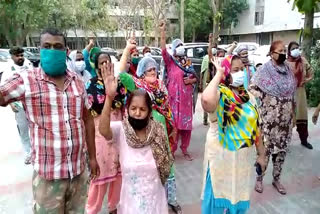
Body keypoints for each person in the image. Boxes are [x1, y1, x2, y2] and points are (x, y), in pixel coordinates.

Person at [0, 28, 99, 213]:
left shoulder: (77, 81)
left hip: (78, 173)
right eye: (47, 46)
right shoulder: (26, 80)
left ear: (65, 51)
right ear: (40, 49)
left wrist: (93, 158)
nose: (52, 50)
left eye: (57, 46)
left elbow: (88, 121)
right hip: (48, 178)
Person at [99, 62, 173, 213]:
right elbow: (103, 130)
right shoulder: (122, 131)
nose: (137, 113)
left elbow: (167, 164)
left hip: (156, 204)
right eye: (133, 108)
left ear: (149, 112)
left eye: (142, 109)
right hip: (131, 205)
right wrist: (109, 97)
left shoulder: (157, 131)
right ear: (127, 109)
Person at [117, 42, 182, 212]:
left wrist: (172, 125)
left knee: (167, 164)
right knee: (148, 167)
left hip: (163, 130)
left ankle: (170, 199)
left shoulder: (160, 86)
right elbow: (120, 74)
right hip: (145, 131)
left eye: (154, 69)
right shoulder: (137, 85)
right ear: (141, 73)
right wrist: (126, 51)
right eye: (149, 71)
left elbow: (167, 106)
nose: (153, 73)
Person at [201, 55, 266, 214]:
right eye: (235, 70)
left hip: (242, 162)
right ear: (226, 74)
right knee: (216, 201)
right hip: (220, 161)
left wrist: (261, 155)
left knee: (237, 200)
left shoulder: (249, 98)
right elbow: (206, 101)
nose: (241, 73)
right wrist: (218, 74)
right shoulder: (220, 94)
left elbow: (256, 128)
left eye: (242, 69)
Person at [250, 40, 296, 195]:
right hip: (269, 121)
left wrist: (293, 115)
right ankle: (259, 179)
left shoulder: (288, 70)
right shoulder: (264, 70)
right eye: (280, 50)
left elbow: (292, 94)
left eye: (284, 50)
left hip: (285, 121)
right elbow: (252, 87)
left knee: (281, 151)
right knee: (266, 151)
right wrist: (264, 97)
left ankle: (276, 179)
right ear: (271, 53)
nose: (283, 53)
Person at [85, 52, 123, 214]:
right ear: (96, 66)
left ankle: (113, 207)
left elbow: (124, 105)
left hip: (118, 133)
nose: (105, 64)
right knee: (100, 177)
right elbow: (89, 114)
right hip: (100, 135)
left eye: (107, 61)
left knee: (118, 174)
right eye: (101, 62)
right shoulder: (90, 85)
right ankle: (92, 209)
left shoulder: (119, 83)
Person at [160, 21, 197, 161]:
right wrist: (163, 32)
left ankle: (185, 149)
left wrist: (192, 81)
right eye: (178, 46)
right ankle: (172, 151)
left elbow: (195, 77)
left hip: (186, 101)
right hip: (174, 100)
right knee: (174, 126)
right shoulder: (170, 61)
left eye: (182, 46)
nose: (181, 48)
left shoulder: (187, 62)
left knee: (186, 127)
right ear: (174, 48)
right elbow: (163, 49)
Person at [1, 47, 33, 164]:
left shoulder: (28, 65)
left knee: (34, 127)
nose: (20, 58)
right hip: (18, 104)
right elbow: (4, 90)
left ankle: (34, 151)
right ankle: (28, 152)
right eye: (17, 56)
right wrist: (11, 105)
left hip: (30, 102)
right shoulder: (8, 70)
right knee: (23, 129)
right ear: (12, 56)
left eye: (21, 55)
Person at [287, 41, 314, 149]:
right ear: (289, 51)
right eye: (293, 48)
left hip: (300, 92)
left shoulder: (303, 61)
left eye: (297, 47)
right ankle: (285, 142)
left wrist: (305, 80)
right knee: (288, 117)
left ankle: (304, 140)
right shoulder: (285, 63)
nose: (296, 50)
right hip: (288, 93)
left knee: (302, 115)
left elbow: (311, 73)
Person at [200, 35, 217, 126]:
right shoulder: (207, 59)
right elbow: (202, 72)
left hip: (214, 84)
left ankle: (213, 119)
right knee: (206, 100)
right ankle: (205, 119)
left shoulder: (216, 61)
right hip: (207, 83)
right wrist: (210, 41)